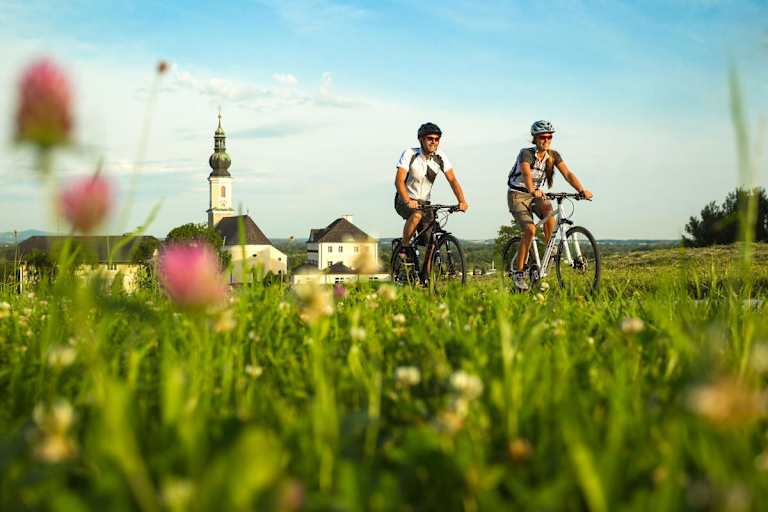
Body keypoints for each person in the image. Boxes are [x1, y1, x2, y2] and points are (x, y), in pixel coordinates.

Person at [507, 120, 593, 290]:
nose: (546, 140)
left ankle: (550, 248)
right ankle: (518, 272)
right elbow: (526, 173)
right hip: (518, 195)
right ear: (535, 138)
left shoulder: (553, 155)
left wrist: (581, 190)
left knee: (548, 208)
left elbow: (567, 173)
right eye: (542, 137)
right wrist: (532, 189)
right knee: (530, 230)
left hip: (536, 195)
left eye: (549, 137)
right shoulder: (526, 153)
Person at [394, 122, 468, 249]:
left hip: (425, 203)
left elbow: (452, 180)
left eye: (437, 139)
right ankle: (404, 247)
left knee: (432, 244)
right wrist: (407, 201)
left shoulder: (440, 156)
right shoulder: (410, 153)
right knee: (417, 214)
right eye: (430, 138)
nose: (434, 142)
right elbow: (399, 181)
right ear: (421, 139)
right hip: (404, 199)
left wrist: (462, 201)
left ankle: (427, 269)